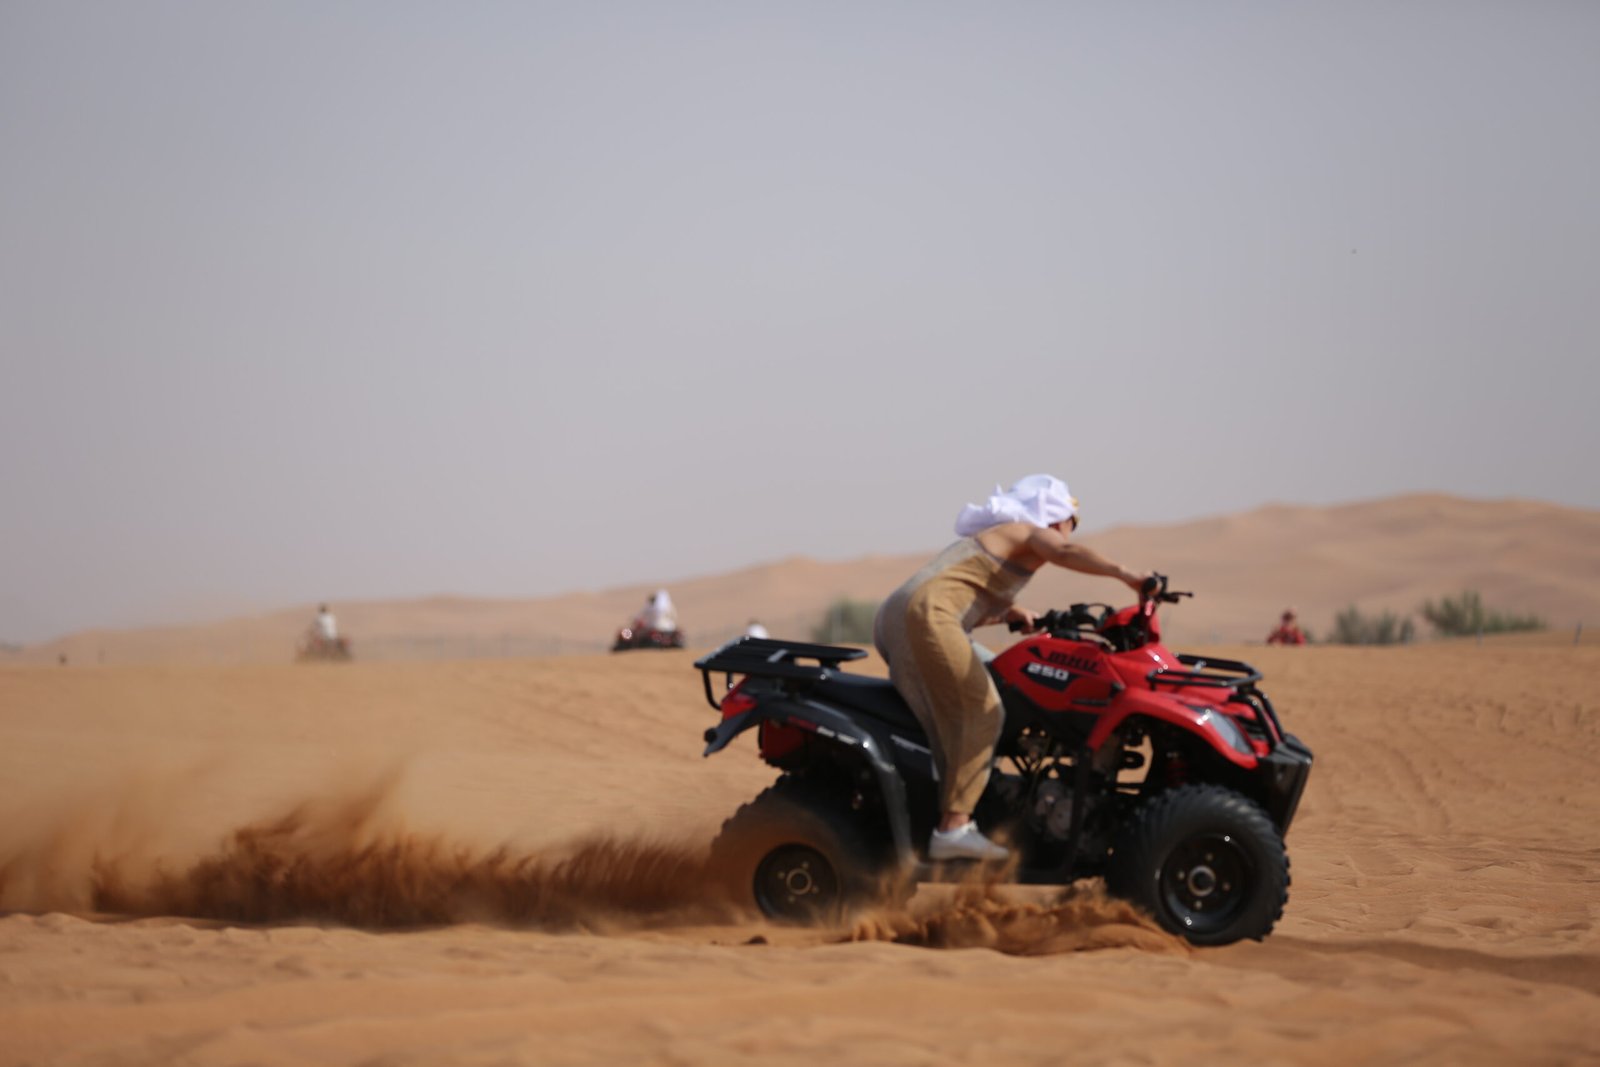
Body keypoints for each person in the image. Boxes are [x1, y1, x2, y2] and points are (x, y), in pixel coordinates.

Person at [874, 474, 1152, 862]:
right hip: (926, 615)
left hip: (902, 615)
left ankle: (982, 802)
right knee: (983, 712)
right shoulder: (1029, 532)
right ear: (1055, 517)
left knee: (1004, 681)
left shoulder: (1001, 542)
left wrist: (1009, 614)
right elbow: (1066, 553)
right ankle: (954, 828)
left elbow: (959, 594)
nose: (1069, 531)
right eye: (1072, 522)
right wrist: (1126, 575)